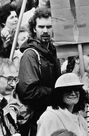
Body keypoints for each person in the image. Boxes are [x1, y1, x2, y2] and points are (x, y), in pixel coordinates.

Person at [16, 8, 61, 136]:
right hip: (37, 121)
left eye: (49, 26)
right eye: (41, 27)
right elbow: (28, 92)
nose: (45, 30)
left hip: (53, 117)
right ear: (34, 29)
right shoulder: (31, 55)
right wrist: (57, 93)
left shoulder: (54, 51)